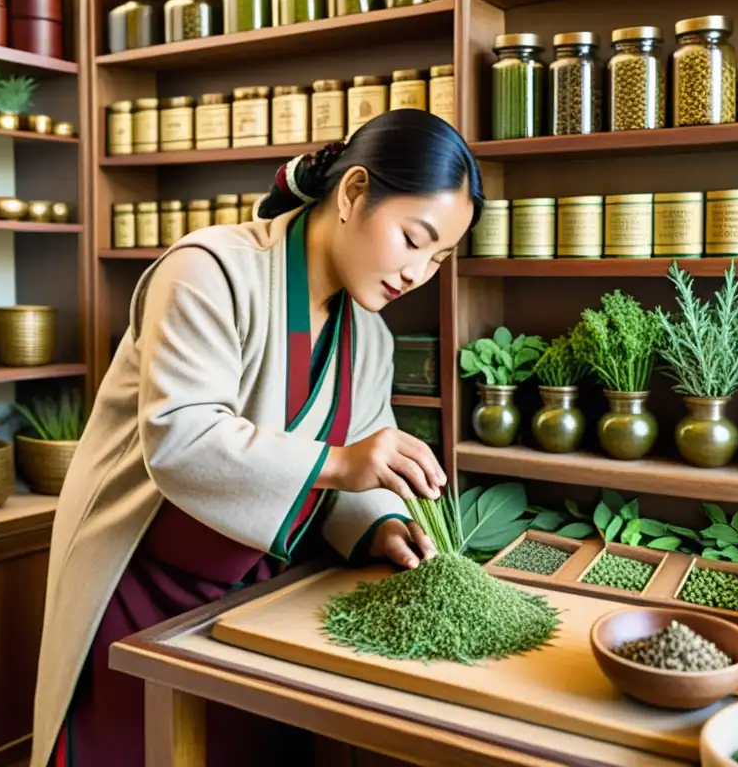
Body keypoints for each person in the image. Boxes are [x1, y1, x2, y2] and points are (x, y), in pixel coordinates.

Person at [29, 108, 485, 767]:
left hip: (256, 590)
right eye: (414, 238)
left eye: (439, 257)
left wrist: (381, 526)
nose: (419, 271)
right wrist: (345, 462)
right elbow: (181, 437)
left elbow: (358, 466)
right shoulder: (210, 269)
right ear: (354, 193)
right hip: (138, 584)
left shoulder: (372, 336)